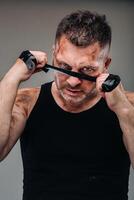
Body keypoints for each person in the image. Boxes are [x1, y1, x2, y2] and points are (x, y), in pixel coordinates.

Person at [0, 10, 134, 200]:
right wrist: (11, 78)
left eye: (86, 70)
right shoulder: (26, 103)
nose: (72, 82)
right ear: (54, 56)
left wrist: (124, 110)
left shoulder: (129, 105)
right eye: (64, 67)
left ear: (106, 65)